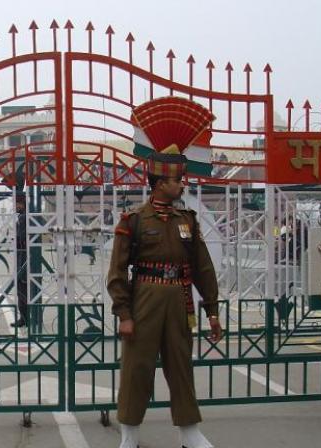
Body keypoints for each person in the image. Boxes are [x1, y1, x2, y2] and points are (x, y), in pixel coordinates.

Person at [107, 144, 223, 448]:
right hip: (145, 296)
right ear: (160, 184)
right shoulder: (133, 220)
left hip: (179, 298)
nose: (181, 185)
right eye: (176, 181)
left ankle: (189, 433)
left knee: (181, 365)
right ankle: (129, 436)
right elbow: (117, 272)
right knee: (137, 368)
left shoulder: (187, 219)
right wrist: (124, 314)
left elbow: (203, 267)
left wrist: (212, 310)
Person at [11, 193, 29, 328]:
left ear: (22, 203)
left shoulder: (23, 218)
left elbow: (21, 238)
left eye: (16, 203)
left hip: (23, 258)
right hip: (28, 258)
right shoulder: (27, 216)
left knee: (22, 290)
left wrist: (12, 241)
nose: (14, 206)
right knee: (29, 290)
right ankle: (28, 318)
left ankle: (24, 319)